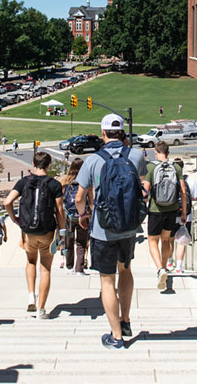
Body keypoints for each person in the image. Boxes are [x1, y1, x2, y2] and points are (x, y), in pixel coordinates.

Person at [74, 114, 147, 349]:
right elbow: (143, 187)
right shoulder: (136, 156)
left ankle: (116, 336)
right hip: (128, 228)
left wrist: (83, 216)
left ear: (103, 133)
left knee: (107, 281)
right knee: (125, 271)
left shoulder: (93, 160)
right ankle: (125, 319)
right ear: (123, 133)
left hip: (102, 229)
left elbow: (79, 197)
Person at [4, 151, 65, 319]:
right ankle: (41, 309)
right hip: (47, 231)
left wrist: (14, 219)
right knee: (45, 269)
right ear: (48, 165)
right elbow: (59, 210)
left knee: (31, 261)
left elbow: (7, 202)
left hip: (28, 230)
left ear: (33, 163)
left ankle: (31, 294)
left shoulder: (24, 182)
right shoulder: (54, 184)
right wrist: (62, 232)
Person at [143, 141, 187, 290]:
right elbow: (183, 192)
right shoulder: (176, 167)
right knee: (166, 239)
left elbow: (145, 192)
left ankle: (160, 269)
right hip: (172, 209)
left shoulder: (150, 167)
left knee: (152, 241)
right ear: (168, 153)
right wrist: (184, 212)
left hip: (156, 210)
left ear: (156, 152)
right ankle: (164, 266)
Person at [60, 158, 92, 275]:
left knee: (68, 242)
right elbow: (91, 200)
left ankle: (69, 266)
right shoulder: (86, 182)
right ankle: (79, 268)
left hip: (68, 217)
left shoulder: (64, 182)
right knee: (81, 242)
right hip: (82, 215)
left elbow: (60, 201)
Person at [171, 158, 197, 274]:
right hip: (186, 215)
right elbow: (195, 197)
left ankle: (168, 262)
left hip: (171, 213)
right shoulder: (189, 179)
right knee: (181, 240)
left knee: (170, 239)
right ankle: (178, 266)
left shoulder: (170, 179)